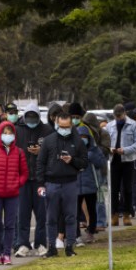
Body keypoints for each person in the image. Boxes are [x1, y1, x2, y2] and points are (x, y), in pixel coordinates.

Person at [38, 103, 87, 257]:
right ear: (56, 124)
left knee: (71, 216)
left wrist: (72, 160)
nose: (65, 129)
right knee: (51, 217)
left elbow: (84, 162)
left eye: (67, 127)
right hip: (51, 183)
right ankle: (51, 247)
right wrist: (41, 184)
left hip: (70, 183)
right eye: (62, 126)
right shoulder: (48, 140)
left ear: (71, 125)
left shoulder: (77, 140)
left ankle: (70, 246)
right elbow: (41, 163)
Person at [0, 117, 27, 265]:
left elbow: (24, 173)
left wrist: (17, 183)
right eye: (5, 132)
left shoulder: (19, 152)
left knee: (10, 225)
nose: (8, 135)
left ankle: (7, 254)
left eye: (10, 132)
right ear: (0, 134)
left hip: (12, 195)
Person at [14, 106, 52, 254]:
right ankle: (22, 243)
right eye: (28, 117)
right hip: (23, 179)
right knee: (22, 214)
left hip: (40, 180)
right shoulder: (17, 130)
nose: (31, 120)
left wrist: (40, 151)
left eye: (34, 117)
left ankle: (40, 243)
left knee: (41, 213)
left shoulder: (47, 131)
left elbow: (53, 152)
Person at [107, 104, 136, 227]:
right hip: (114, 160)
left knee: (127, 189)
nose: (118, 118)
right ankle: (114, 215)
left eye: (120, 116)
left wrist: (126, 150)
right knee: (114, 190)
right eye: (116, 116)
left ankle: (127, 214)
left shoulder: (133, 125)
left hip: (128, 160)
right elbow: (105, 142)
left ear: (124, 113)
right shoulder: (109, 125)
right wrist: (109, 149)